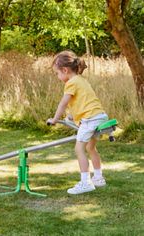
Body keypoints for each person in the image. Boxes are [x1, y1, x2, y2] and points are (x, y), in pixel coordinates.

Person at [47, 50, 108, 195]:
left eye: (57, 73)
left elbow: (63, 103)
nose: (58, 76)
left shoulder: (70, 83)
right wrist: (70, 116)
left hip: (90, 119)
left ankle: (85, 182)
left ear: (65, 70)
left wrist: (55, 119)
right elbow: (81, 103)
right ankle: (98, 178)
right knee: (90, 148)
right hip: (99, 116)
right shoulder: (81, 80)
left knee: (79, 148)